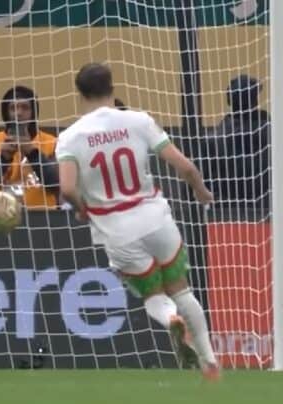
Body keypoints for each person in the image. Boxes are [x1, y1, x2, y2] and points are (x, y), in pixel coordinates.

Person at [56, 63, 219, 380]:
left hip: (116, 228)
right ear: (112, 87)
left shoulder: (70, 137)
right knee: (182, 290)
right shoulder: (138, 121)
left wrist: (81, 207)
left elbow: (66, 188)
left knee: (154, 296)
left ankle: (171, 318)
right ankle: (210, 362)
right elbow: (183, 166)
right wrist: (200, 189)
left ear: (79, 93)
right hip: (155, 218)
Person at [0, 86, 58, 208]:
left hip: (43, 217)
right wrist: (3, 159)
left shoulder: (51, 142)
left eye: (25, 108)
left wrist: (33, 154)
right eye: (13, 108)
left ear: (34, 112)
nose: (19, 113)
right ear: (6, 113)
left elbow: (57, 185)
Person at [203, 74, 270, 213]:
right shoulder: (271, 132)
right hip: (267, 211)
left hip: (225, 213)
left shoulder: (213, 138)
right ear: (255, 100)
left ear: (229, 100)